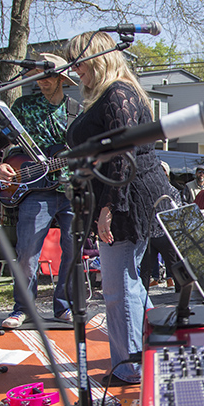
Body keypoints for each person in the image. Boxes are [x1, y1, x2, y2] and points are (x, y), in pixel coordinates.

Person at [65, 31, 172, 385]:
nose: (75, 68)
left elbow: (123, 153)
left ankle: (129, 367)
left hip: (126, 197)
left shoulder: (117, 93)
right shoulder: (115, 92)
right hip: (126, 194)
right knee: (129, 283)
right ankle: (157, 350)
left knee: (118, 287)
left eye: (79, 61)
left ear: (98, 57)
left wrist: (109, 206)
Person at [0, 52, 80, 329]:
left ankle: (63, 305)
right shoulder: (22, 105)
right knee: (27, 251)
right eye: (39, 76)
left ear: (61, 78)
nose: (43, 81)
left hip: (69, 188)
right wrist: (0, 165)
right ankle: (23, 308)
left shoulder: (76, 110)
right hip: (32, 188)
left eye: (48, 75)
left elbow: (85, 150)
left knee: (73, 249)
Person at [141, 160, 181, 290]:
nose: (160, 173)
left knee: (174, 267)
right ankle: (143, 299)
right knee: (145, 270)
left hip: (165, 235)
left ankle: (181, 295)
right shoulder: (147, 189)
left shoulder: (172, 190)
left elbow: (177, 211)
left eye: (163, 170)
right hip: (149, 235)